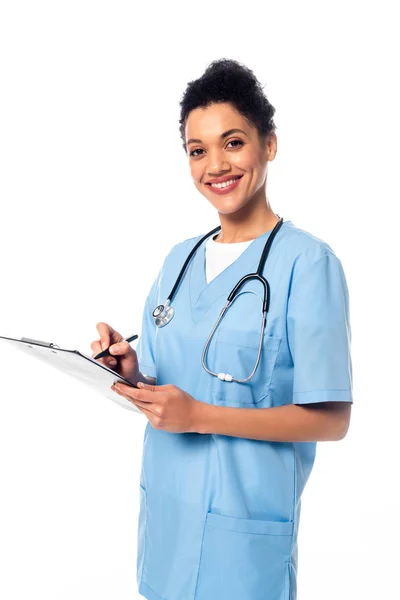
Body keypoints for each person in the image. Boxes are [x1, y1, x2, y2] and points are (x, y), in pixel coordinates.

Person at [91, 58, 353, 600]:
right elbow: (171, 389)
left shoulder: (308, 264)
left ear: (269, 145)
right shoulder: (177, 261)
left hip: (243, 538)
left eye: (233, 142)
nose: (216, 164)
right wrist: (132, 372)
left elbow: (332, 420)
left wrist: (200, 417)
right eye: (197, 149)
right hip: (167, 520)